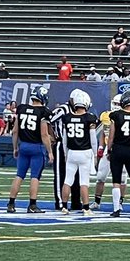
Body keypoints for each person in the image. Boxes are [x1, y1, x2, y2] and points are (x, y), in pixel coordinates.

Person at [6, 88, 53, 214]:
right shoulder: (44, 112)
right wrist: (50, 151)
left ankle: (11, 203)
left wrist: (15, 147)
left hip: (24, 146)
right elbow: (44, 134)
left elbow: (15, 131)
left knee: (19, 175)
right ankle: (32, 205)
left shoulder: (21, 108)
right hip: (36, 147)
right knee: (35, 177)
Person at [58, 88, 98, 216]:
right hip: (84, 152)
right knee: (84, 182)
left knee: (67, 180)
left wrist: (65, 153)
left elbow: (64, 139)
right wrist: (95, 154)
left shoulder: (67, 117)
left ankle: (64, 207)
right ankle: (86, 208)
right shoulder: (89, 118)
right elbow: (93, 140)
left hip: (71, 152)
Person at [92, 94, 121, 209]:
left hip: (119, 149)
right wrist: (100, 146)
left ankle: (120, 202)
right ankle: (97, 202)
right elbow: (104, 131)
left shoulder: (124, 116)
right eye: (116, 103)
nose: (116, 106)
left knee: (121, 179)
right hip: (107, 150)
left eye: (119, 104)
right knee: (100, 177)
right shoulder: (105, 115)